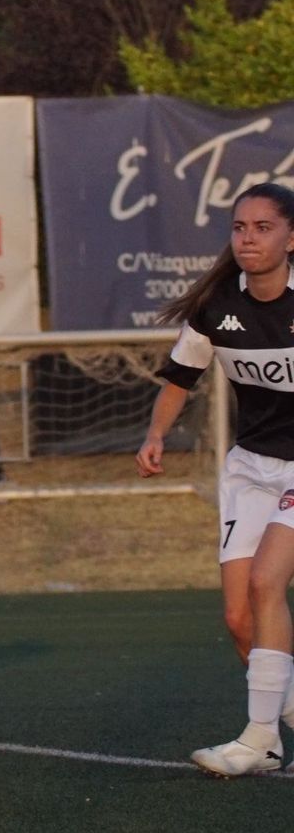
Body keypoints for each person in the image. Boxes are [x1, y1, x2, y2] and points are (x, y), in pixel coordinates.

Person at [137, 183, 294, 776]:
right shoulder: (217, 307)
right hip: (250, 466)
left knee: (267, 581)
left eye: (263, 227)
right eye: (239, 228)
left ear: (291, 238)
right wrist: (155, 436)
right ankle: (277, 733)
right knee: (238, 619)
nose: (249, 238)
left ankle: (255, 739)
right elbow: (181, 376)